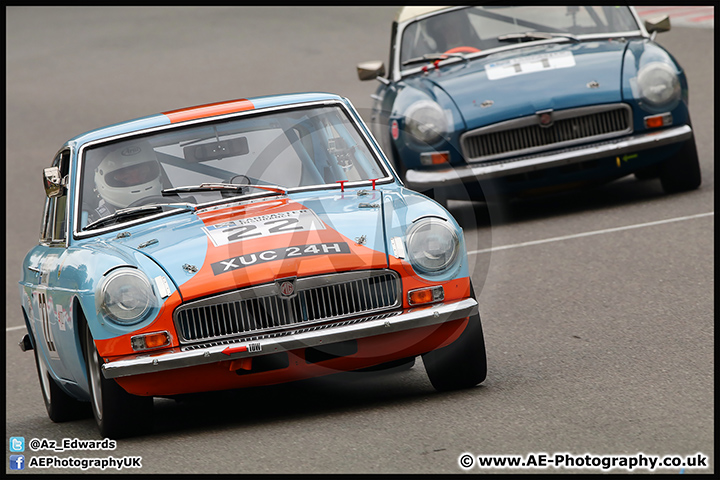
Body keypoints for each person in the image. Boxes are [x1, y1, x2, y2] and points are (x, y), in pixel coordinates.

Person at [92, 140, 163, 215]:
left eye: (143, 173)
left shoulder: (174, 203)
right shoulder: (96, 222)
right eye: (126, 178)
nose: (137, 180)